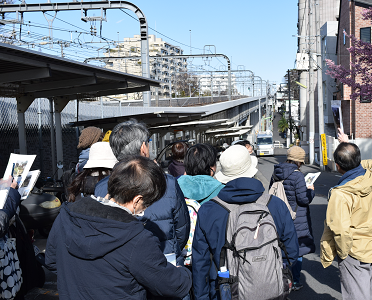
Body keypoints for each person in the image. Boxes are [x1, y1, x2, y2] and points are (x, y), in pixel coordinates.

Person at [45, 156, 192, 299]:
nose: (145, 209)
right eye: (147, 204)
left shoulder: (66, 216)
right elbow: (171, 285)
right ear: (137, 200)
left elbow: (52, 261)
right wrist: (183, 273)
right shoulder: (138, 239)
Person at [192, 145, 299, 300]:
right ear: (251, 169)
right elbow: (292, 252)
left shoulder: (209, 210)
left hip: (226, 291)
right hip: (272, 290)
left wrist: (201, 296)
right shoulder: (275, 205)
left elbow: (200, 263)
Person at [94, 119, 190, 264]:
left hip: (120, 266)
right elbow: (182, 229)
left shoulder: (101, 187)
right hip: (164, 262)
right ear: (143, 148)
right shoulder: (167, 183)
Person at [320, 142, 372, 300]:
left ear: (337, 166)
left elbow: (340, 230)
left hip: (354, 250)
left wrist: (344, 253)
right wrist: (355, 162)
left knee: (356, 294)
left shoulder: (341, 194)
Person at [270, 146, 315, 291]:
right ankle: (294, 281)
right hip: (296, 217)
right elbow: (303, 200)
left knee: (281, 246)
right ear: (300, 161)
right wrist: (311, 191)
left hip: (279, 215)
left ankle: (281, 279)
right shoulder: (297, 175)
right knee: (297, 249)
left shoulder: (276, 171)